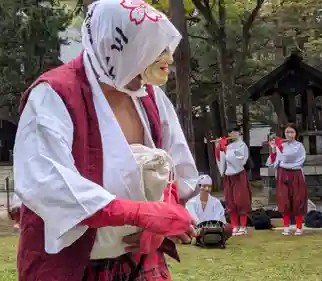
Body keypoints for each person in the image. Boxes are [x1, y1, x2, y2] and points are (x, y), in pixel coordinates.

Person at [12, 0, 200, 280]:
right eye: (150, 51)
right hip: (72, 266)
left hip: (140, 262)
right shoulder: (54, 95)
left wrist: (163, 216)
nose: (165, 61)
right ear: (115, 47)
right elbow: (48, 183)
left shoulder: (149, 97)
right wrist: (139, 213)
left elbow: (174, 165)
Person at [266, 123, 307, 236]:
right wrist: (273, 149)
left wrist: (279, 148)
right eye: (287, 132)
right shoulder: (281, 145)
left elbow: (292, 158)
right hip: (282, 173)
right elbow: (273, 161)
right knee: (284, 200)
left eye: (292, 132)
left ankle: (299, 227)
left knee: (298, 199)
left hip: (296, 173)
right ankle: (286, 227)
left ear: (296, 133)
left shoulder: (299, 146)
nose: (289, 134)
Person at [215, 125, 251, 236]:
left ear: (239, 133)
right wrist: (218, 147)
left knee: (241, 200)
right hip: (229, 175)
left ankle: (243, 226)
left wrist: (225, 149)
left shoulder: (242, 145)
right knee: (230, 200)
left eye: (235, 131)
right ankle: (235, 225)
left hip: (239, 174)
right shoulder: (229, 145)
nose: (232, 134)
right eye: (230, 132)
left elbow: (240, 160)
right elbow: (221, 160)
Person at [186, 175, 232, 248]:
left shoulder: (216, 202)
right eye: (204, 186)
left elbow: (220, 217)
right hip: (198, 229)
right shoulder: (191, 202)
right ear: (199, 187)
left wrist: (213, 226)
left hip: (215, 229)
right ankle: (200, 239)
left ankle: (214, 239)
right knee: (185, 227)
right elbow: (191, 218)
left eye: (209, 186)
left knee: (229, 228)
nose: (207, 189)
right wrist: (200, 226)